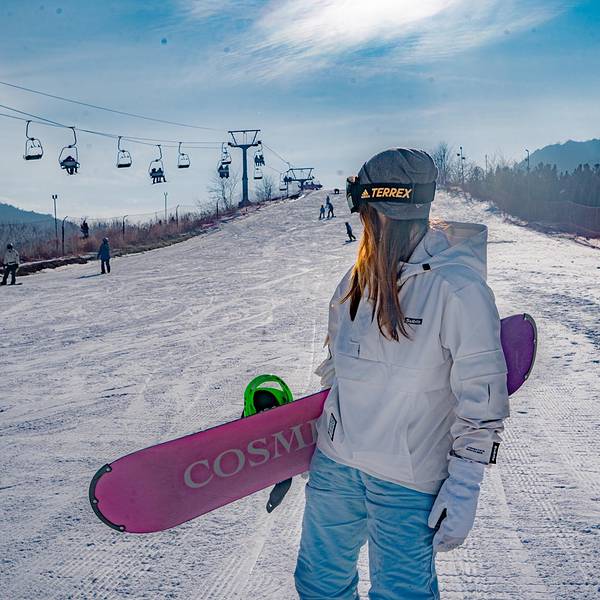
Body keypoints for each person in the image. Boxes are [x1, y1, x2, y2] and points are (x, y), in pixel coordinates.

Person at [294, 148, 509, 599]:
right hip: (337, 466)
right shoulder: (355, 282)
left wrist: (465, 483)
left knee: (401, 594)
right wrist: (296, 436)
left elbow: (482, 400)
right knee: (318, 585)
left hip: (406, 480)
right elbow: (338, 372)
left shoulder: (458, 290)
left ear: (378, 212)